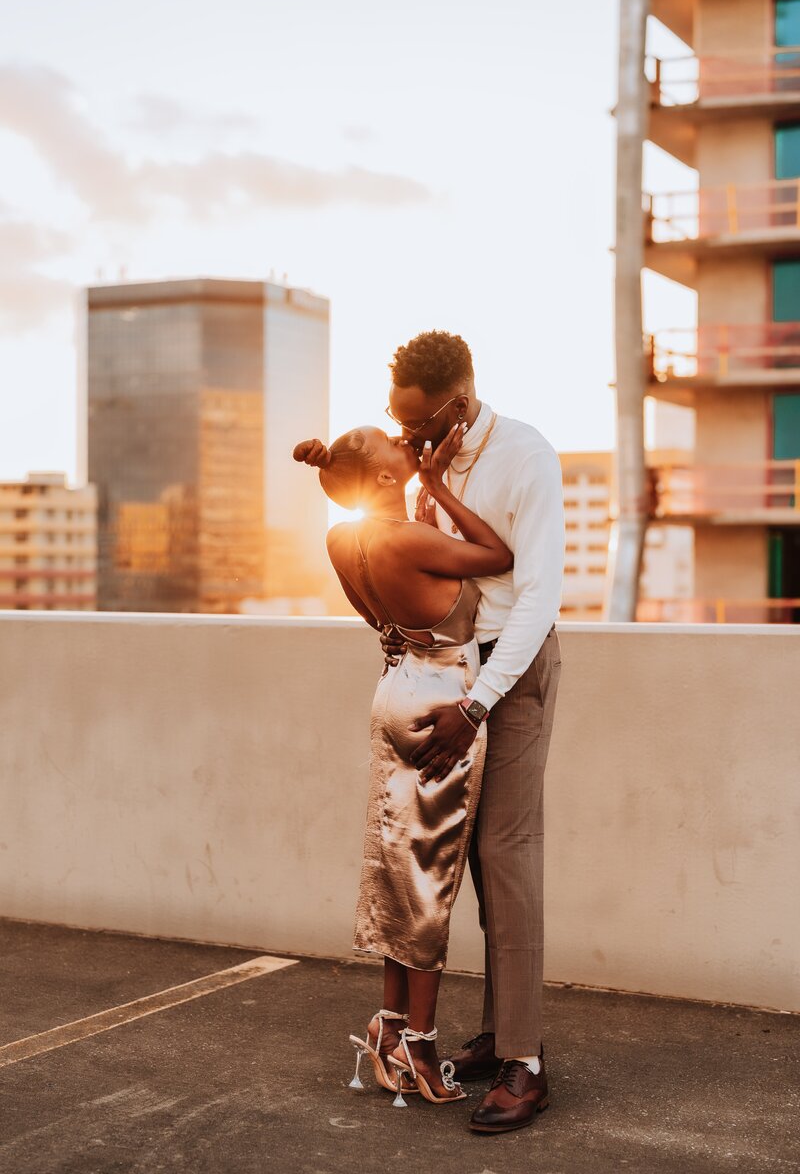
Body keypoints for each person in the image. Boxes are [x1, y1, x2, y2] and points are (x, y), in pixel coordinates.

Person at [296, 330, 564, 1134]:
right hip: (444, 682)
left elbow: (536, 591)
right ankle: (497, 1029)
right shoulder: (419, 472)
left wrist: (478, 702)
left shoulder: (526, 455)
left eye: (414, 423)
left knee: (505, 856)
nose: (405, 435)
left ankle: (526, 1062)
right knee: (453, 860)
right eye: (395, 422)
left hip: (507, 677)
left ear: (456, 401)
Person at [293, 421, 513, 1107]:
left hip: (393, 688)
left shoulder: (344, 539)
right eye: (396, 448)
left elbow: (413, 571)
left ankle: (390, 1028)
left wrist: (416, 486)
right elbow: (498, 553)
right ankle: (420, 1045)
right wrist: (439, 482)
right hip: (442, 700)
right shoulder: (412, 535)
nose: (405, 442)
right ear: (387, 477)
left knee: (398, 866)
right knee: (428, 882)